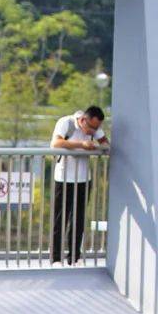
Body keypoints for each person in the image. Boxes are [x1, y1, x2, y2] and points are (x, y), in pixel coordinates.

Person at [50, 104, 108, 265]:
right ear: (83, 120)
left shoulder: (94, 128)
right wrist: (81, 145)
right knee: (60, 219)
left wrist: (97, 146)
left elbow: (105, 143)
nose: (91, 132)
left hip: (83, 179)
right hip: (63, 178)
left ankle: (74, 257)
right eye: (90, 127)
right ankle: (56, 258)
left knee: (78, 219)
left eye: (95, 129)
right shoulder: (66, 123)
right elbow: (55, 143)